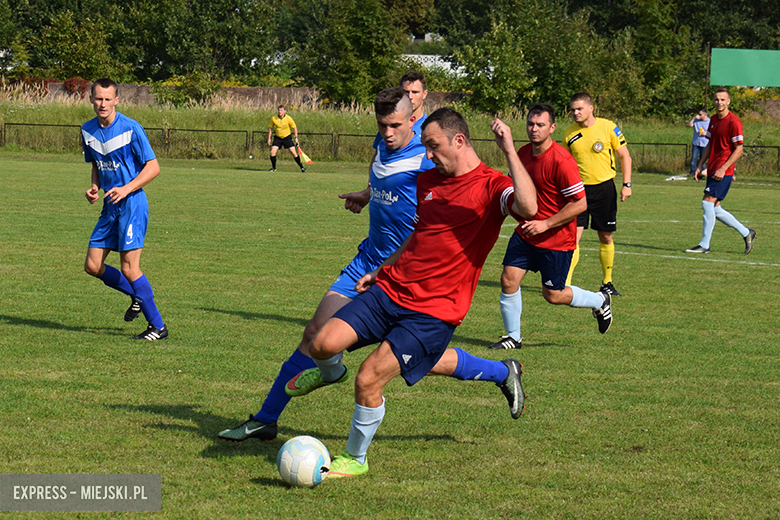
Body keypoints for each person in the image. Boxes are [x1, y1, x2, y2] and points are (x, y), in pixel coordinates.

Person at [283, 108, 539, 478]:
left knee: (369, 377)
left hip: (434, 311)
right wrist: (381, 270)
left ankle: (355, 458)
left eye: (433, 147)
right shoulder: (428, 181)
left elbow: (528, 207)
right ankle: (331, 373)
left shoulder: (492, 186)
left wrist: (510, 151)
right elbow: (419, 234)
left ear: (459, 141)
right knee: (322, 344)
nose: (428, 156)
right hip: (391, 288)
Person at [218, 87, 434, 442]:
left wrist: (391, 266)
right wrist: (366, 195)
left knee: (420, 357)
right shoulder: (384, 145)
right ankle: (266, 419)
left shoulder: (427, 157)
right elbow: (383, 178)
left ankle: (500, 372)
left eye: (395, 125)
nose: (387, 133)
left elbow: (431, 219)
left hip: (402, 271)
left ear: (413, 119)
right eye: (381, 125)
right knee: (314, 332)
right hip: (367, 259)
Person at [487, 103, 613, 351]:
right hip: (526, 234)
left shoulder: (561, 160)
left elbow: (580, 204)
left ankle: (600, 300)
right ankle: (513, 337)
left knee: (553, 295)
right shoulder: (523, 153)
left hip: (556, 239)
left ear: (552, 128)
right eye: (530, 124)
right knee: (508, 280)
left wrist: (545, 224)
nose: (534, 129)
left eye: (540, 125)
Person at [81, 78, 167, 341]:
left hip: (132, 203)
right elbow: (97, 164)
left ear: (116, 100)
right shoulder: (87, 130)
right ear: (91, 99)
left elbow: (153, 167)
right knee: (92, 265)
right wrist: (94, 187)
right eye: (98, 98)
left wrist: (126, 189)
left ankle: (158, 327)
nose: (102, 103)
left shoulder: (131, 128)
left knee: (130, 268)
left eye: (108, 99)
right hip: (109, 205)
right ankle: (137, 295)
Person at [563, 92, 632, 296]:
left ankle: (607, 282)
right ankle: (565, 284)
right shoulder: (569, 134)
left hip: (604, 189)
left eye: (579, 109)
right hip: (578, 191)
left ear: (591, 108)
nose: (576, 113)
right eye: (573, 110)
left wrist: (627, 184)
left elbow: (625, 156)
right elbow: (564, 164)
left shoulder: (608, 127)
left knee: (606, 236)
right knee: (573, 238)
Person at [685, 88, 756, 254]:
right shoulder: (714, 120)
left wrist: (723, 168)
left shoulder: (734, 122)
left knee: (707, 202)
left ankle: (704, 245)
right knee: (715, 208)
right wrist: (700, 165)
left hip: (724, 171)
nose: (719, 102)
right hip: (712, 168)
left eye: (723, 99)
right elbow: (710, 144)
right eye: (717, 99)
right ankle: (747, 233)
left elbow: (739, 149)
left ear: (728, 101)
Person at [267, 105, 306, 173]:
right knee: (272, 152)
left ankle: (302, 168)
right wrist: (269, 138)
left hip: (287, 137)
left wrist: (296, 138)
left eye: (281, 110)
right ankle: (273, 168)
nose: (280, 112)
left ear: (284, 111)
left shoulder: (288, 118)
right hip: (278, 138)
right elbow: (271, 128)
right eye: (279, 110)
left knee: (294, 153)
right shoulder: (274, 118)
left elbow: (294, 128)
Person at [688, 107, 710, 177]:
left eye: (700, 114)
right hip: (696, 142)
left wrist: (705, 134)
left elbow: (712, 132)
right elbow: (690, 125)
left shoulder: (709, 121)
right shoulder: (696, 120)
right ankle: (692, 172)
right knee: (694, 158)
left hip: (705, 143)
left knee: (703, 159)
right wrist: (694, 118)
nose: (698, 116)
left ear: (704, 115)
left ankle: (701, 172)